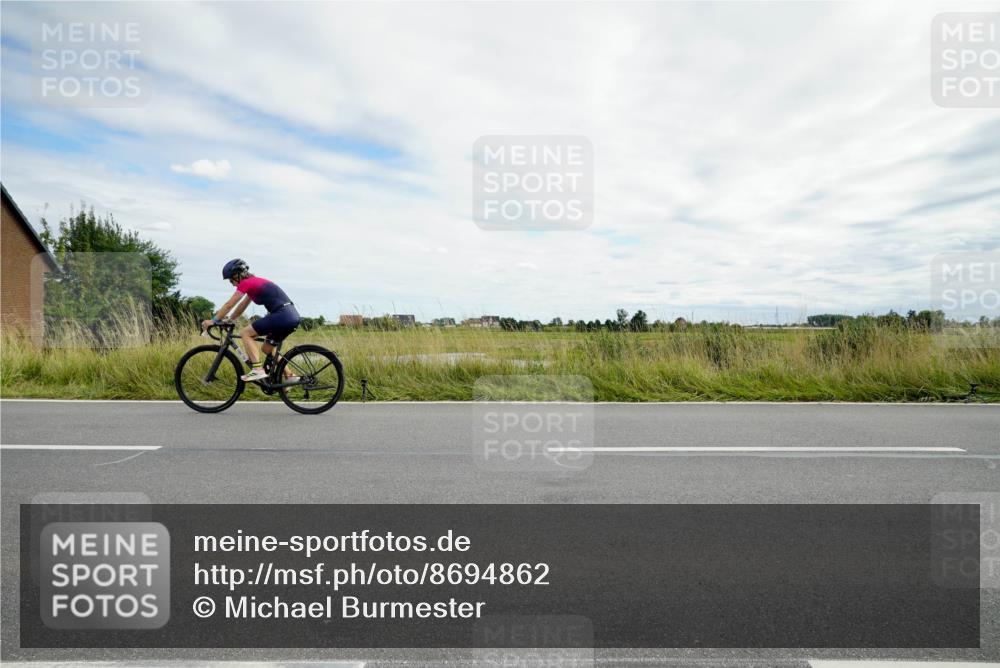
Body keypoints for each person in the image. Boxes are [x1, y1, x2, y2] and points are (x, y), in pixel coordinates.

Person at [202, 259, 301, 382]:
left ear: (238, 275)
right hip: (290, 316)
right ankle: (290, 376)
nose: (231, 283)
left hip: (282, 315)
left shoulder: (247, 283)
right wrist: (230, 319)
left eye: (231, 279)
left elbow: (229, 304)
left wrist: (213, 320)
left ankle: (257, 370)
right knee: (267, 349)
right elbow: (241, 306)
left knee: (245, 333)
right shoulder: (254, 283)